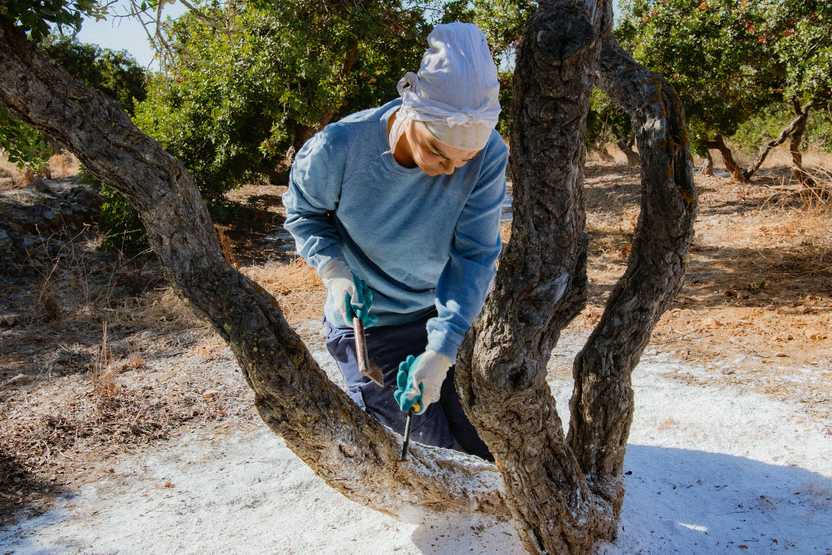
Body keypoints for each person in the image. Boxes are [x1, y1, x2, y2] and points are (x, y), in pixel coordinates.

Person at [282, 22, 507, 460]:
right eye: (438, 153)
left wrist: (442, 350)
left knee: (486, 441)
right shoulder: (339, 148)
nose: (449, 170)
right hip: (370, 326)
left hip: (436, 311)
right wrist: (335, 274)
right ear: (413, 110)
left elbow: (475, 257)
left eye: (464, 161)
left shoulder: (489, 156)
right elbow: (303, 214)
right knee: (431, 454)